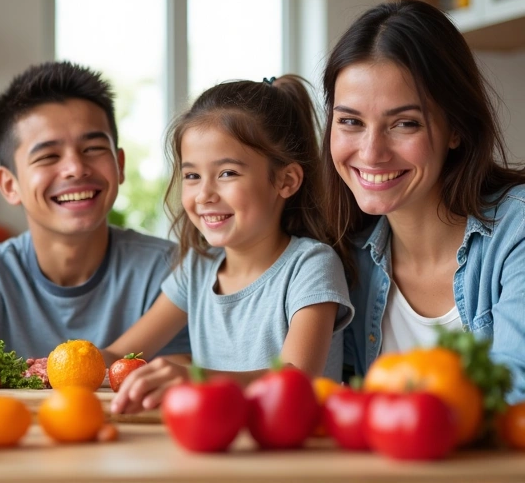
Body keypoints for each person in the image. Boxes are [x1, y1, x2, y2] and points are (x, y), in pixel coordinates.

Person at [0, 61, 190, 387]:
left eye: (92, 148)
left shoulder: (170, 269)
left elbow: (181, 371)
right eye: (48, 156)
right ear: (9, 185)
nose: (76, 168)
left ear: (119, 165)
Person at [107, 75, 354, 414]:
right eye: (192, 176)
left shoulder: (311, 265)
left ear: (286, 180)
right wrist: (47, 367)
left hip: (297, 456)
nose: (204, 194)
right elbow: (120, 353)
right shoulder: (197, 268)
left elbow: (296, 379)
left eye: (227, 174)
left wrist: (195, 376)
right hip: (214, 447)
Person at [320, 0, 525, 402]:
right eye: (351, 122)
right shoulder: (340, 255)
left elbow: (514, 398)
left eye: (405, 124)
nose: (371, 151)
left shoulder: (516, 233)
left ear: (456, 129)